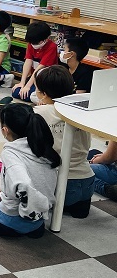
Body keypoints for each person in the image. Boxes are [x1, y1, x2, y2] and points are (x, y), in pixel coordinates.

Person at [0, 103, 59, 238]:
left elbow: (24, 183)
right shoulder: (39, 143)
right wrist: (4, 190)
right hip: (37, 214)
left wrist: (28, 213)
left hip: (19, 216)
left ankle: (6, 228)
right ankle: (29, 225)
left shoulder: (11, 152)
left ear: (5, 130)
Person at [33, 66, 95, 219]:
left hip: (61, 182)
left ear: (44, 94)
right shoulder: (82, 110)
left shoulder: (38, 113)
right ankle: (78, 207)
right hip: (87, 179)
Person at [13, 21, 58, 101]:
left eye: (37, 42)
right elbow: (28, 61)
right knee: (16, 92)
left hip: (45, 79)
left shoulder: (52, 47)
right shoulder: (31, 43)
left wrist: (28, 86)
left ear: (46, 38)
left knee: (27, 95)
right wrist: (22, 82)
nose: (34, 45)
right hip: (34, 77)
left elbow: (41, 67)